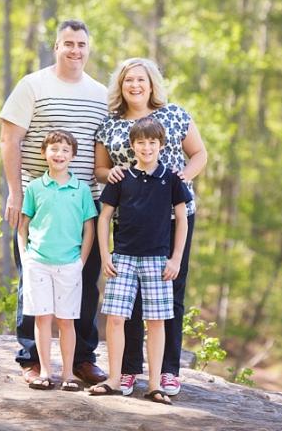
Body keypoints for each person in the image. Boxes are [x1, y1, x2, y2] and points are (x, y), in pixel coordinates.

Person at [0, 19, 108, 385]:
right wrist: (15, 191)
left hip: (85, 204)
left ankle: (81, 360)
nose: (74, 50)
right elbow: (9, 140)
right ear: (55, 47)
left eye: (81, 44)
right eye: (68, 44)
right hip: (38, 202)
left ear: (88, 49)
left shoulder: (100, 94)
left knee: (85, 283)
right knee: (33, 282)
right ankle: (32, 359)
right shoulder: (33, 85)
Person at [94, 58, 207, 397]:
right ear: (121, 85)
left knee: (170, 293)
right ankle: (127, 370)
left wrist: (182, 180)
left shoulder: (174, 114)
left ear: (152, 83)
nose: (135, 85)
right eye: (129, 80)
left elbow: (199, 153)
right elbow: (101, 168)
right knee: (128, 300)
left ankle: (168, 371)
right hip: (129, 220)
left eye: (141, 79)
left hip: (174, 217)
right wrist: (109, 175)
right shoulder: (110, 125)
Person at [89, 117, 190, 404]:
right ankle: (113, 378)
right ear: (132, 145)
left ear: (161, 145)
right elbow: (105, 217)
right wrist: (106, 254)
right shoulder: (121, 178)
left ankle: (155, 384)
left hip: (157, 261)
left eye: (152, 142)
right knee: (116, 319)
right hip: (123, 258)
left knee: (156, 322)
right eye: (141, 142)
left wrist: (176, 259)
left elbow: (181, 219)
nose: (147, 147)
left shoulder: (171, 179)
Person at [18, 130, 97, 391]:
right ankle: (45, 372)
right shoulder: (35, 187)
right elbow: (23, 226)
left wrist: (81, 261)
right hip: (38, 262)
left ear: (73, 155)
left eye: (65, 150)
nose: (59, 154)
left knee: (66, 320)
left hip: (69, 264)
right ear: (44, 153)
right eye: (54, 149)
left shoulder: (82, 189)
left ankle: (68, 375)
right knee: (42, 318)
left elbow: (89, 229)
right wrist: (26, 257)